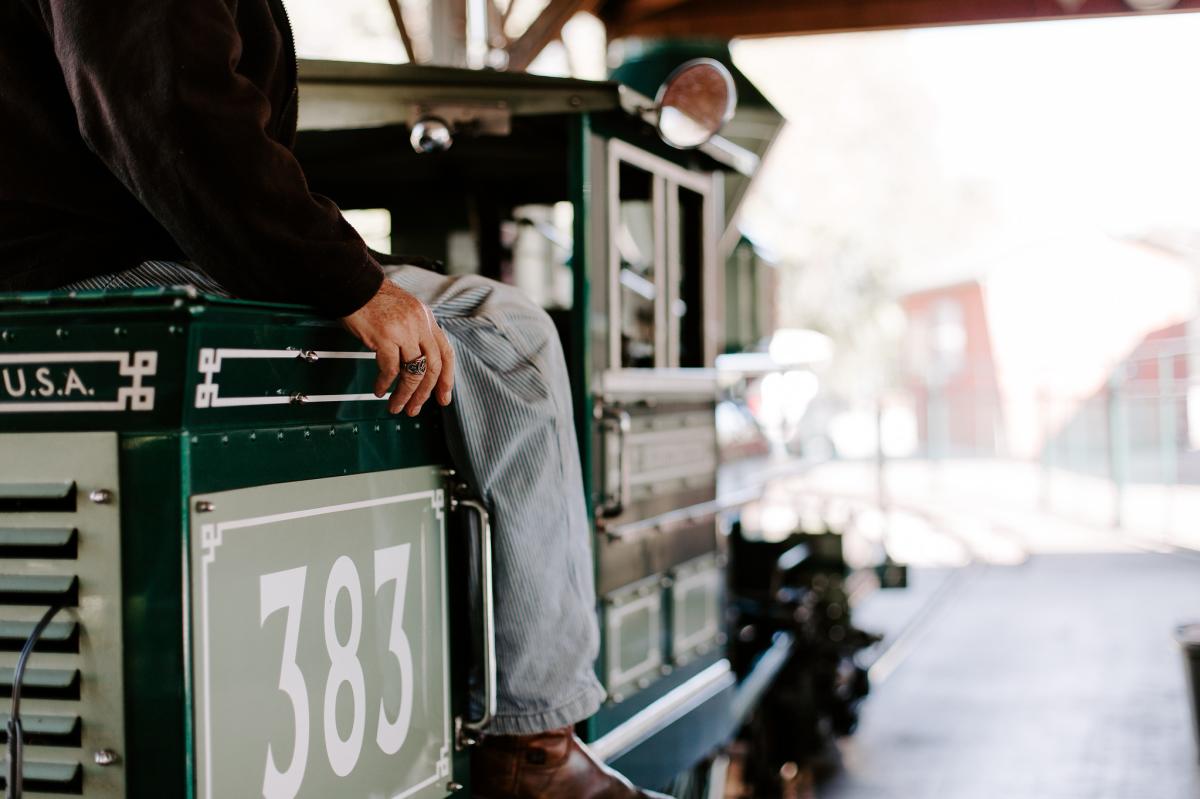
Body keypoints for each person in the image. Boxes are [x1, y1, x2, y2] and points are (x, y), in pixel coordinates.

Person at [0, 1, 672, 797]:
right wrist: (348, 281)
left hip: (68, 252)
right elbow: (174, 108)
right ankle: (534, 739)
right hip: (92, 264)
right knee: (507, 333)